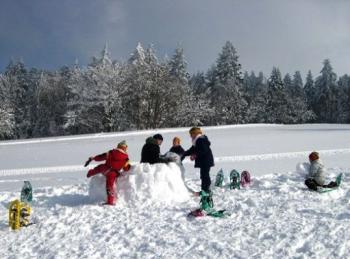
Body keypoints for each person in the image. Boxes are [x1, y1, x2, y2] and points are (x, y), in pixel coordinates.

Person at [84, 140, 131, 205]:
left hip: (105, 168)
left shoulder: (111, 152)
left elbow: (101, 157)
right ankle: (110, 201)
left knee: (98, 168)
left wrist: (93, 158)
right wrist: (128, 166)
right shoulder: (126, 159)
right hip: (113, 173)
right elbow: (126, 168)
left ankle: (90, 173)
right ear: (125, 148)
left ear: (118, 146)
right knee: (109, 186)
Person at [182, 127, 214, 211]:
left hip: (206, 161)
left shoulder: (200, 140)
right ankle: (205, 190)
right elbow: (193, 149)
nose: (190, 136)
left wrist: (195, 155)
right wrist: (184, 153)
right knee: (203, 175)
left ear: (195, 133)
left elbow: (204, 150)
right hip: (205, 161)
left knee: (205, 176)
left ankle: (206, 190)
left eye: (191, 134)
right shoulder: (197, 140)